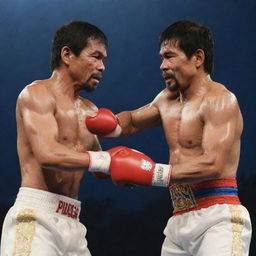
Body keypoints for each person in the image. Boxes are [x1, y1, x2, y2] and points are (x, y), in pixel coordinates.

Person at [86, 20, 252, 255]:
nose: (163, 65)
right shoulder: (166, 99)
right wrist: (106, 124)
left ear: (197, 58)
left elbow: (213, 164)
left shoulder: (220, 100)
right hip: (178, 218)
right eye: (162, 58)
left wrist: (152, 173)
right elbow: (132, 121)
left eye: (170, 56)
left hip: (218, 217)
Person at [0, 20, 122, 256]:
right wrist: (105, 161)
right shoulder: (37, 94)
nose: (102, 66)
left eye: (104, 60)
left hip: (73, 224)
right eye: (95, 57)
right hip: (36, 218)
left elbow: (101, 166)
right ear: (67, 54)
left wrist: (137, 166)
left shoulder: (90, 110)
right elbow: (48, 154)